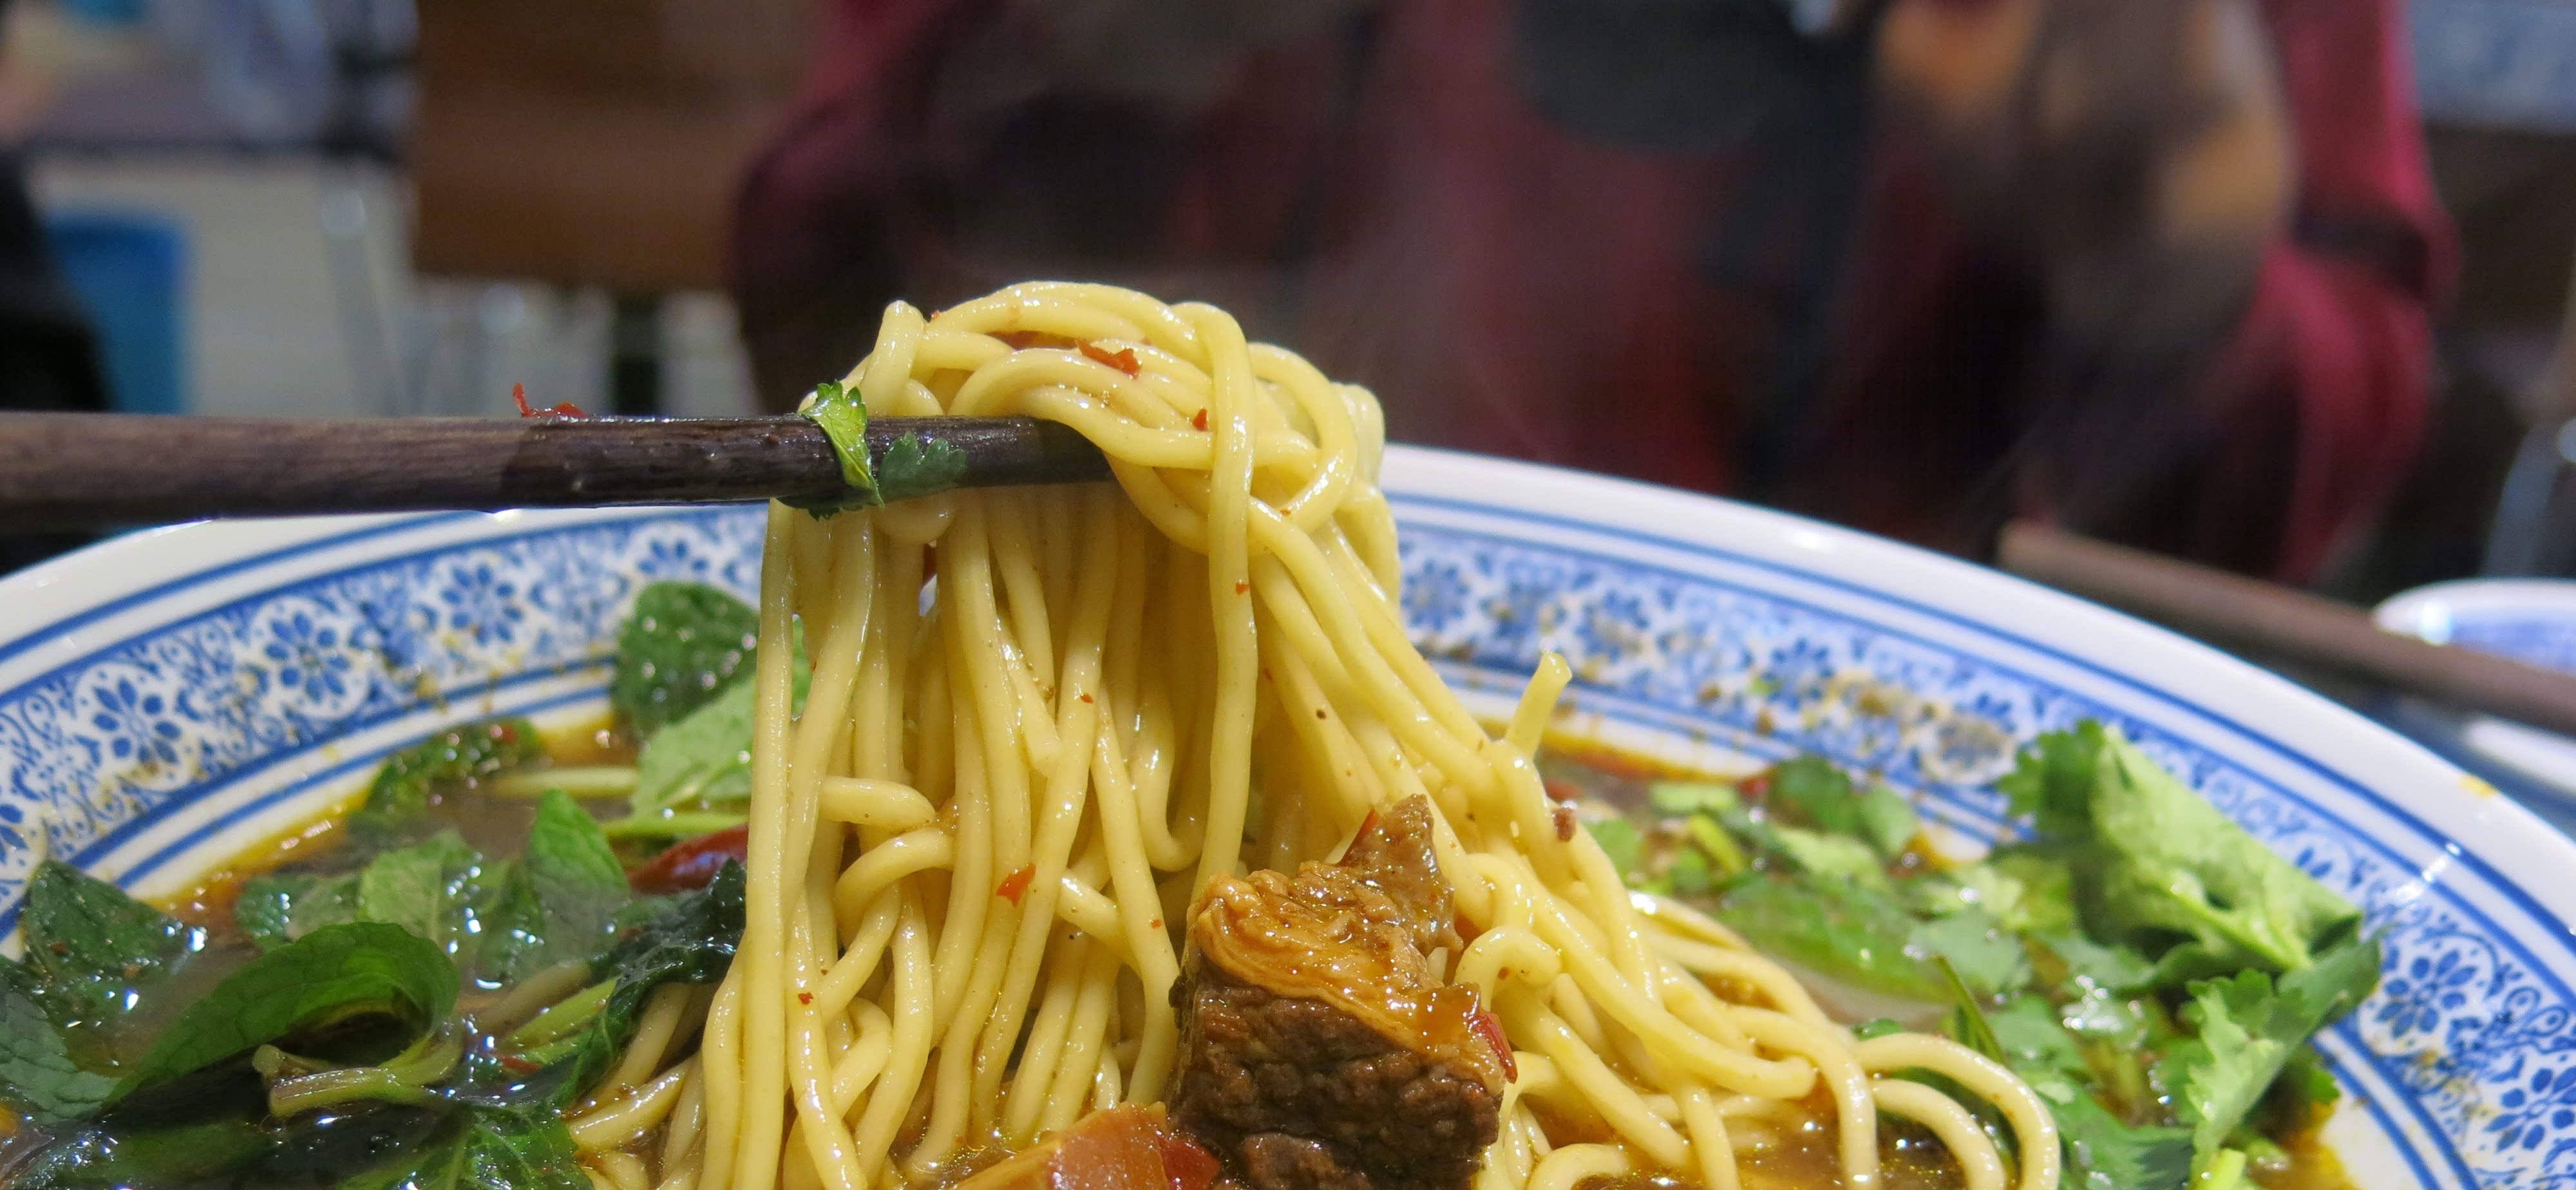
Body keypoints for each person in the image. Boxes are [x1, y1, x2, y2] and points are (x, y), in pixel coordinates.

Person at [731, 0, 2449, 584]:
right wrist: (1047, 55)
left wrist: (2168, 267)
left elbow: (2339, 434)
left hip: (1854, 739)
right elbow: (823, 307)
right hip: (1132, 628)